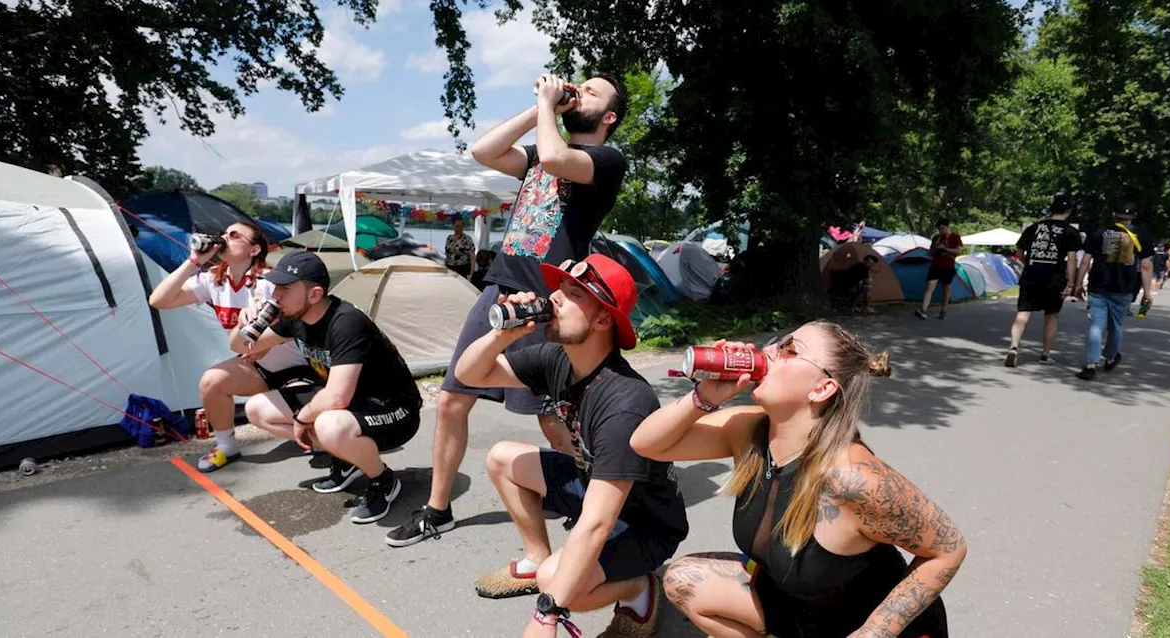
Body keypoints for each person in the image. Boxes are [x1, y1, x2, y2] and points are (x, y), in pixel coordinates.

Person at [385, 72, 629, 548]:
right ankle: (438, 509)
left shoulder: (605, 160)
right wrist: (544, 107)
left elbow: (559, 158)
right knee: (454, 397)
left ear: (609, 116)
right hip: (500, 285)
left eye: (592, 91)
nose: (579, 90)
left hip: (550, 297)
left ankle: (597, 500)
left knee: (554, 415)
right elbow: (483, 151)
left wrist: (546, 104)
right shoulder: (541, 149)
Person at [631, 324, 965, 638]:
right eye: (777, 342)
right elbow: (647, 444)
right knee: (682, 579)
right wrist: (704, 396)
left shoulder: (852, 477)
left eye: (790, 349)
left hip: (868, 626)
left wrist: (875, 631)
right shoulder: (748, 430)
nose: (770, 350)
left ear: (822, 388)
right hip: (798, 608)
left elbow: (948, 549)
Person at [460, 255, 687, 638]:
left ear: (602, 320)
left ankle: (638, 587)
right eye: (559, 289)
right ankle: (537, 557)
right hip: (594, 485)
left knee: (555, 582)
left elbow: (597, 524)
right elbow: (470, 373)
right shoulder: (557, 358)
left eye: (574, 294)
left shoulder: (625, 400)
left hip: (645, 522)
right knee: (502, 458)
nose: (555, 299)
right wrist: (503, 334)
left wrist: (547, 613)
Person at [229, 252, 423, 523]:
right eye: (275, 287)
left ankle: (383, 480)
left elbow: (337, 396)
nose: (275, 295)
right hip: (350, 402)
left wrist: (302, 417)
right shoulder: (294, 318)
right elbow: (239, 347)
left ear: (314, 294)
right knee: (257, 409)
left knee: (328, 425)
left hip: (394, 408)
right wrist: (247, 322)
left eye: (284, 288)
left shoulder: (346, 322)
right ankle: (349, 458)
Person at [149, 222, 317, 473]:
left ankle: (327, 442)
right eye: (225, 234)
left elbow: (289, 333)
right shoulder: (213, 280)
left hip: (298, 369)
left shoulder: (270, 283)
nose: (225, 238)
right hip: (258, 367)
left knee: (310, 423)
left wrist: (259, 335)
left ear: (254, 250)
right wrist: (194, 261)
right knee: (211, 381)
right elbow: (158, 300)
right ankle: (227, 447)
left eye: (235, 235)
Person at [1074, 204, 1155, 381]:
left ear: (1113, 215)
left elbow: (1086, 261)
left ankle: (1090, 365)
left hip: (1098, 286)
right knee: (1116, 325)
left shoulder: (1099, 232)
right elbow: (1146, 265)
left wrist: (1078, 284)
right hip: (1124, 287)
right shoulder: (1141, 234)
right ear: (1134, 216)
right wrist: (1147, 292)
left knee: (1096, 325)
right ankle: (1110, 358)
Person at [1004, 193, 1082, 367]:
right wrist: (1071, 283)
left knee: (1023, 313)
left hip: (1031, 275)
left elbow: (1019, 252)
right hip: (1055, 278)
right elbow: (1071, 259)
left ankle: (1013, 347)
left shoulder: (1034, 227)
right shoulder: (1070, 232)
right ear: (1069, 210)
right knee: (1051, 316)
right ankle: (1045, 355)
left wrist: (1029, 264)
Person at [914, 219, 963, 320]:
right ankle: (923, 310)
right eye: (939, 229)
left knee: (946, 288)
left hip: (948, 266)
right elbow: (931, 252)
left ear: (947, 227)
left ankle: (943, 310)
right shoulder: (936, 238)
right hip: (935, 266)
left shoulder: (955, 237)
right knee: (929, 286)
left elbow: (958, 251)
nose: (941, 231)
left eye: (942, 228)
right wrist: (934, 249)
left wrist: (945, 248)